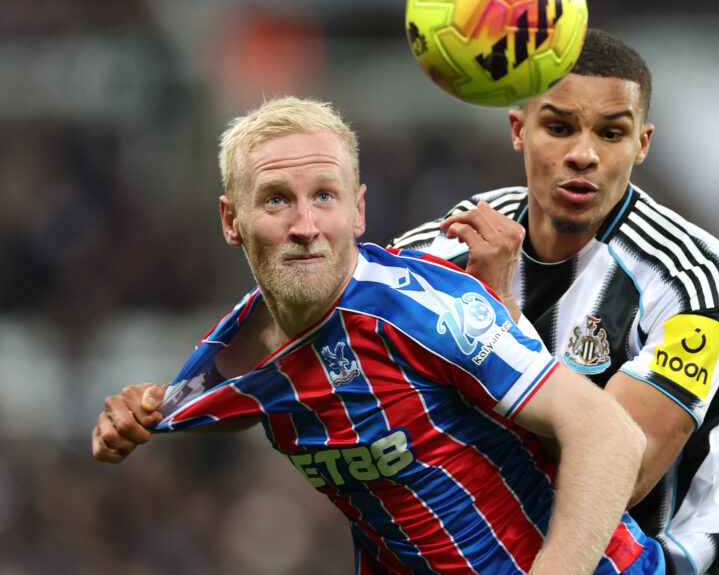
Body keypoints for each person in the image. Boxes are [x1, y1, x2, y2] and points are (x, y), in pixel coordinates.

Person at [91, 96, 666, 575]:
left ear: (358, 211)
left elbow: (610, 436)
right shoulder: (240, 345)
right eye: (275, 200)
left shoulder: (424, 310)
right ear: (230, 220)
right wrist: (134, 414)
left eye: (324, 196)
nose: (305, 226)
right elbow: (243, 397)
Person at [388, 29, 719, 574]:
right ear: (519, 130)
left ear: (642, 143)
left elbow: (622, 475)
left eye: (611, 133)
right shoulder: (453, 242)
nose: (583, 155)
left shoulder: (698, 279)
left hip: (678, 562)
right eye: (559, 127)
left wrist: (498, 317)